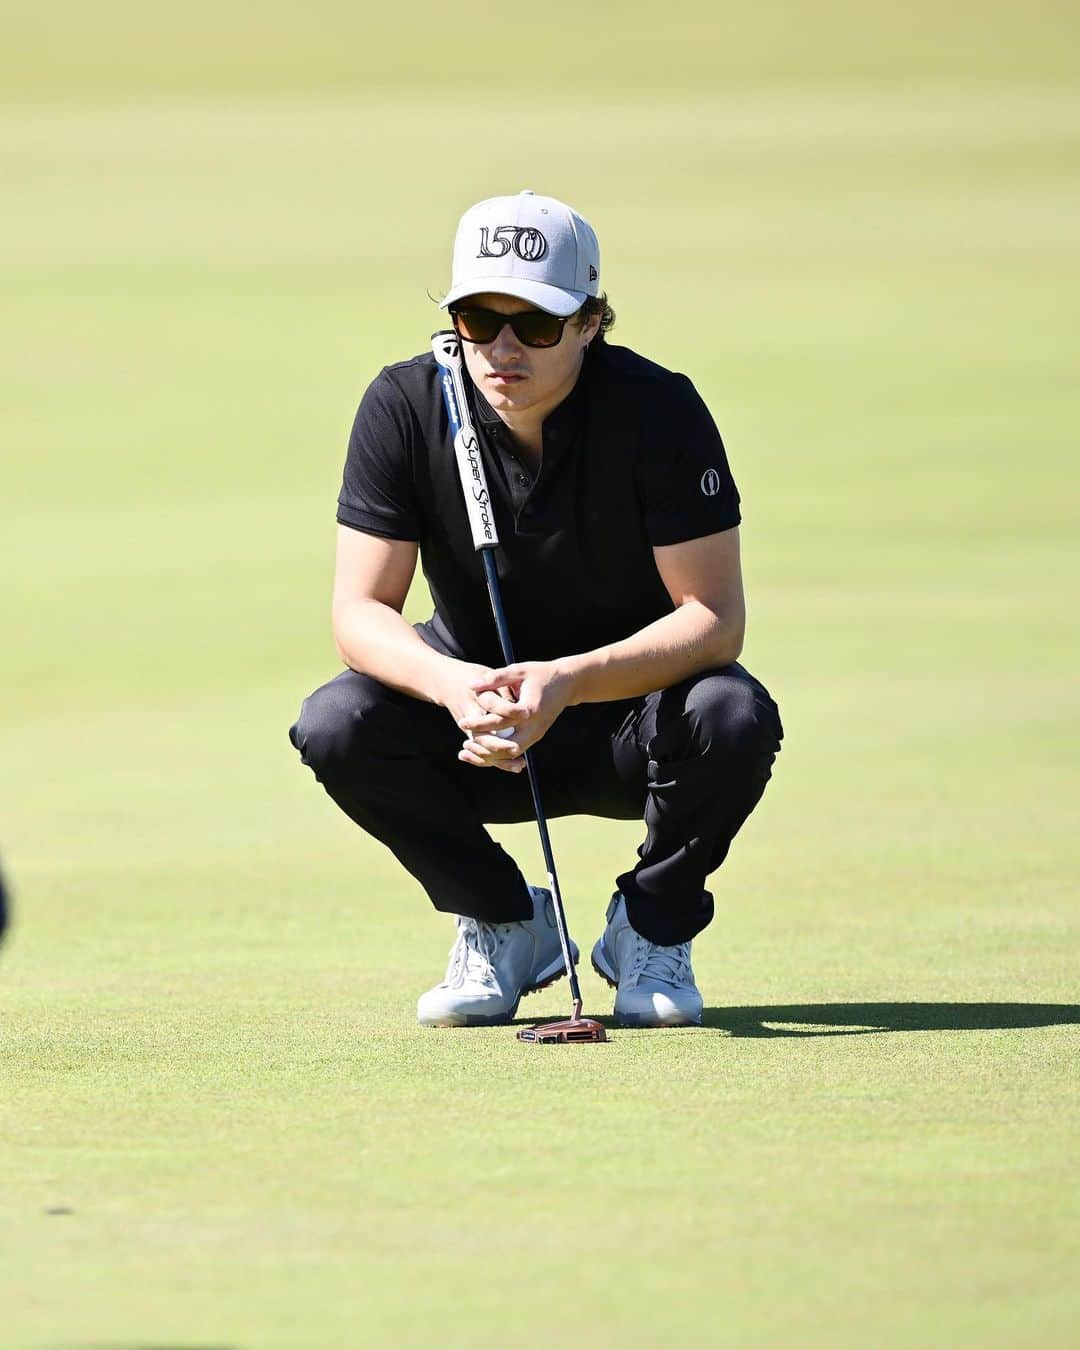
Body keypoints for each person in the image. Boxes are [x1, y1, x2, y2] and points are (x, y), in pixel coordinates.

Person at [290, 190, 784, 1029]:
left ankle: (652, 928)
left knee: (732, 715)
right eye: (478, 321)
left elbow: (714, 617)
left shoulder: (659, 410)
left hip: (633, 720)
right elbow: (360, 612)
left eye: (537, 324)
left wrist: (569, 680)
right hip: (479, 725)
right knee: (336, 723)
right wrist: (450, 685)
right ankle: (504, 919)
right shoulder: (407, 404)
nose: (503, 348)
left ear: (592, 321)